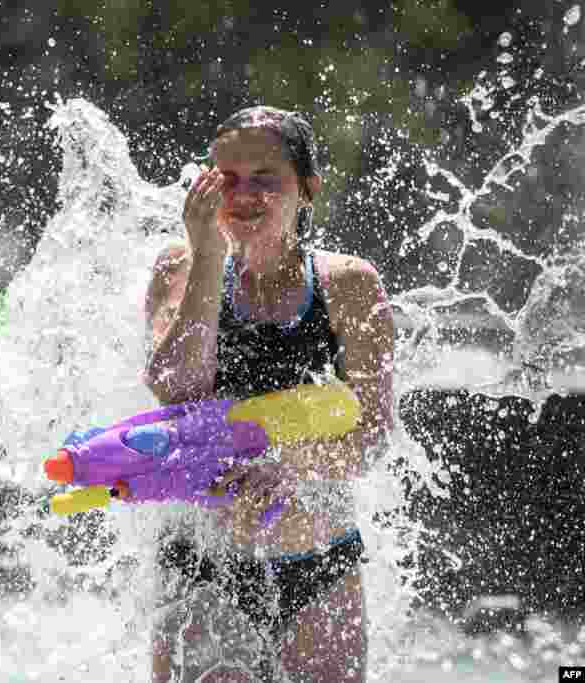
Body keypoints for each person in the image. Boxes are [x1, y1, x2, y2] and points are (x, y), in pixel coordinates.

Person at [142, 106, 395, 682]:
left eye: (265, 178)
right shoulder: (177, 269)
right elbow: (177, 388)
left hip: (320, 566)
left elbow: (372, 430)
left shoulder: (349, 285)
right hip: (202, 563)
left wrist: (290, 466)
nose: (244, 194)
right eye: (226, 178)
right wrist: (208, 254)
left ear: (306, 190)